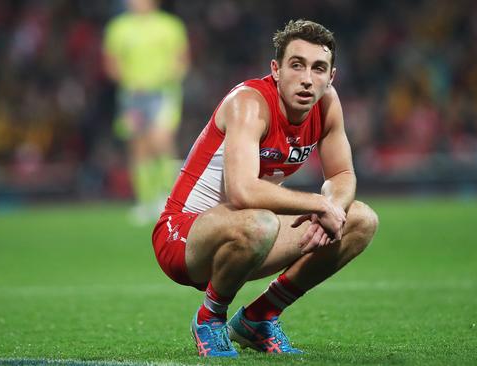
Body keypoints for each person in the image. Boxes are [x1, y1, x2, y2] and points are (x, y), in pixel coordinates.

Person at [151, 19, 379, 357]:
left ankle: (258, 318)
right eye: (296, 65)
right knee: (261, 222)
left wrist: (333, 208)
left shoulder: (328, 104)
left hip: (251, 237)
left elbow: (343, 173)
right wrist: (318, 204)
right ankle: (210, 318)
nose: (306, 78)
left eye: (318, 69)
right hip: (183, 236)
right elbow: (243, 192)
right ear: (276, 69)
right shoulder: (250, 103)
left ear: (331, 77)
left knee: (359, 219)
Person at [103, 0, 189, 222]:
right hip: (132, 94)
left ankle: (169, 198)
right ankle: (145, 201)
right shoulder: (118, 27)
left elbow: (182, 60)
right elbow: (111, 63)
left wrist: (163, 78)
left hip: (163, 93)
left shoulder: (170, 25)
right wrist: (130, 81)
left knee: (161, 141)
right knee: (138, 146)